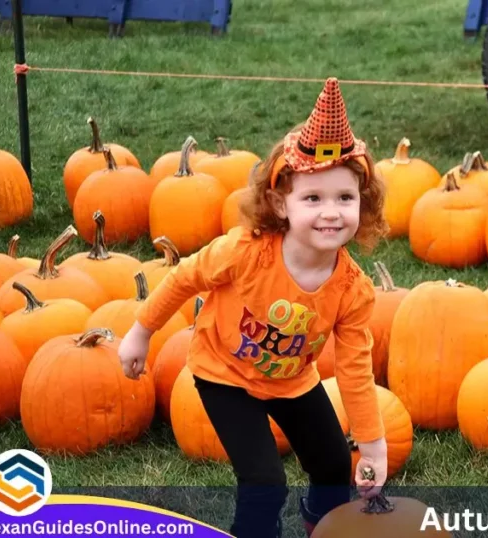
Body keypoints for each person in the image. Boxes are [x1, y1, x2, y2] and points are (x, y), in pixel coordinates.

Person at [118, 77, 389, 538]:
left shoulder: (352, 290)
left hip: (291, 379)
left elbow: (355, 370)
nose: (331, 212)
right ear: (281, 204)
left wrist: (374, 446)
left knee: (330, 463)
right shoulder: (245, 252)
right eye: (313, 198)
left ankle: (322, 527)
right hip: (224, 374)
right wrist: (141, 332)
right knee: (264, 481)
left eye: (345, 198)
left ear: (362, 203)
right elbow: (185, 277)